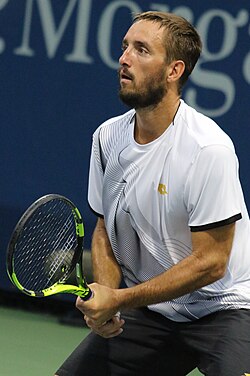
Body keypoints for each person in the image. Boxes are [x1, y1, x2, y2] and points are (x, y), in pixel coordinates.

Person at [55, 11, 250, 376]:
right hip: (155, 310)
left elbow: (212, 262)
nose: (124, 59)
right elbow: (104, 230)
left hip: (227, 308)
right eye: (125, 47)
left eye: (141, 50)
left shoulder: (208, 149)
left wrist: (122, 298)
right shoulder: (106, 138)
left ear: (174, 70)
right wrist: (108, 296)